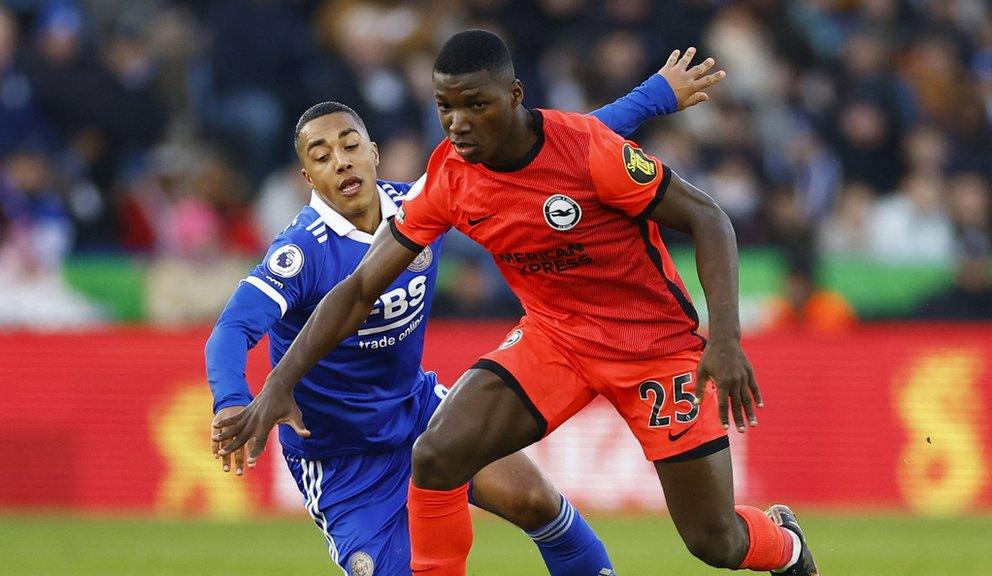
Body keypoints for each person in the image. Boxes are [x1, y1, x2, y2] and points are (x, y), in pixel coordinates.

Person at [207, 43, 725, 576]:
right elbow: (232, 328)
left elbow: (556, 151)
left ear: (375, 152)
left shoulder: (425, 199)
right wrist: (234, 399)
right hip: (341, 456)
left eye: (350, 145)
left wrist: (654, 96)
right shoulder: (301, 253)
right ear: (307, 178)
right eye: (321, 156)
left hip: (415, 410)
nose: (340, 161)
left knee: (536, 501)